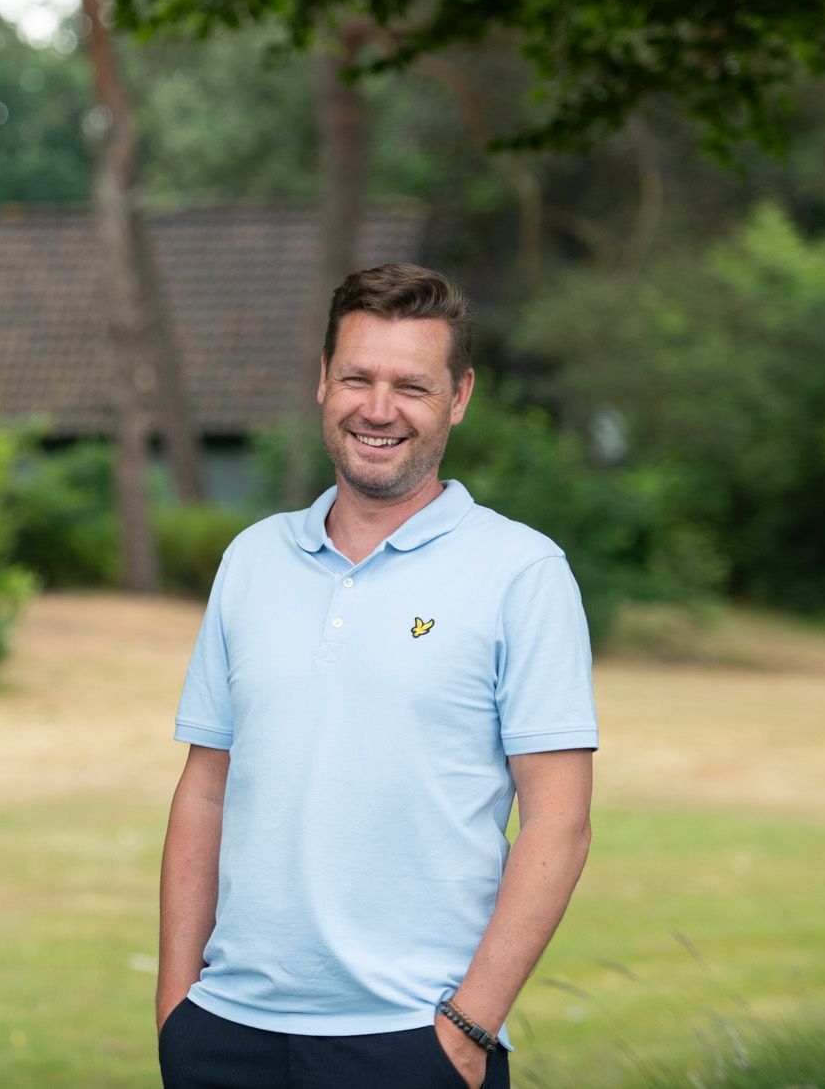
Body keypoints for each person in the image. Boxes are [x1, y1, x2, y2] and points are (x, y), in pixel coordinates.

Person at [156, 263, 598, 1089]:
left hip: (411, 1042)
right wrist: (177, 1008)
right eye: (357, 376)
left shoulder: (521, 571)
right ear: (323, 380)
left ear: (459, 396)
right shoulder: (251, 559)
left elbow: (558, 822)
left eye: (412, 385)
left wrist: (465, 1030)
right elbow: (205, 788)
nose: (378, 407)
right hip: (226, 1034)